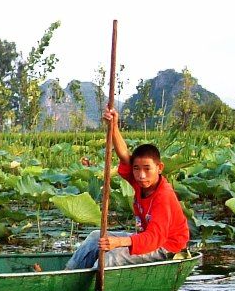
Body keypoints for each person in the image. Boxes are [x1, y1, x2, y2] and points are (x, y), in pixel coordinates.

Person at [66, 107, 189, 269]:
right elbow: (124, 155)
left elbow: (154, 238)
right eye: (137, 169)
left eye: (147, 169)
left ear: (159, 168)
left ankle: (91, 287)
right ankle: (68, 273)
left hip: (167, 247)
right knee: (96, 237)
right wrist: (114, 126)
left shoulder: (163, 196)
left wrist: (119, 242)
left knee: (111, 257)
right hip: (147, 239)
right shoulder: (140, 182)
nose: (141, 175)